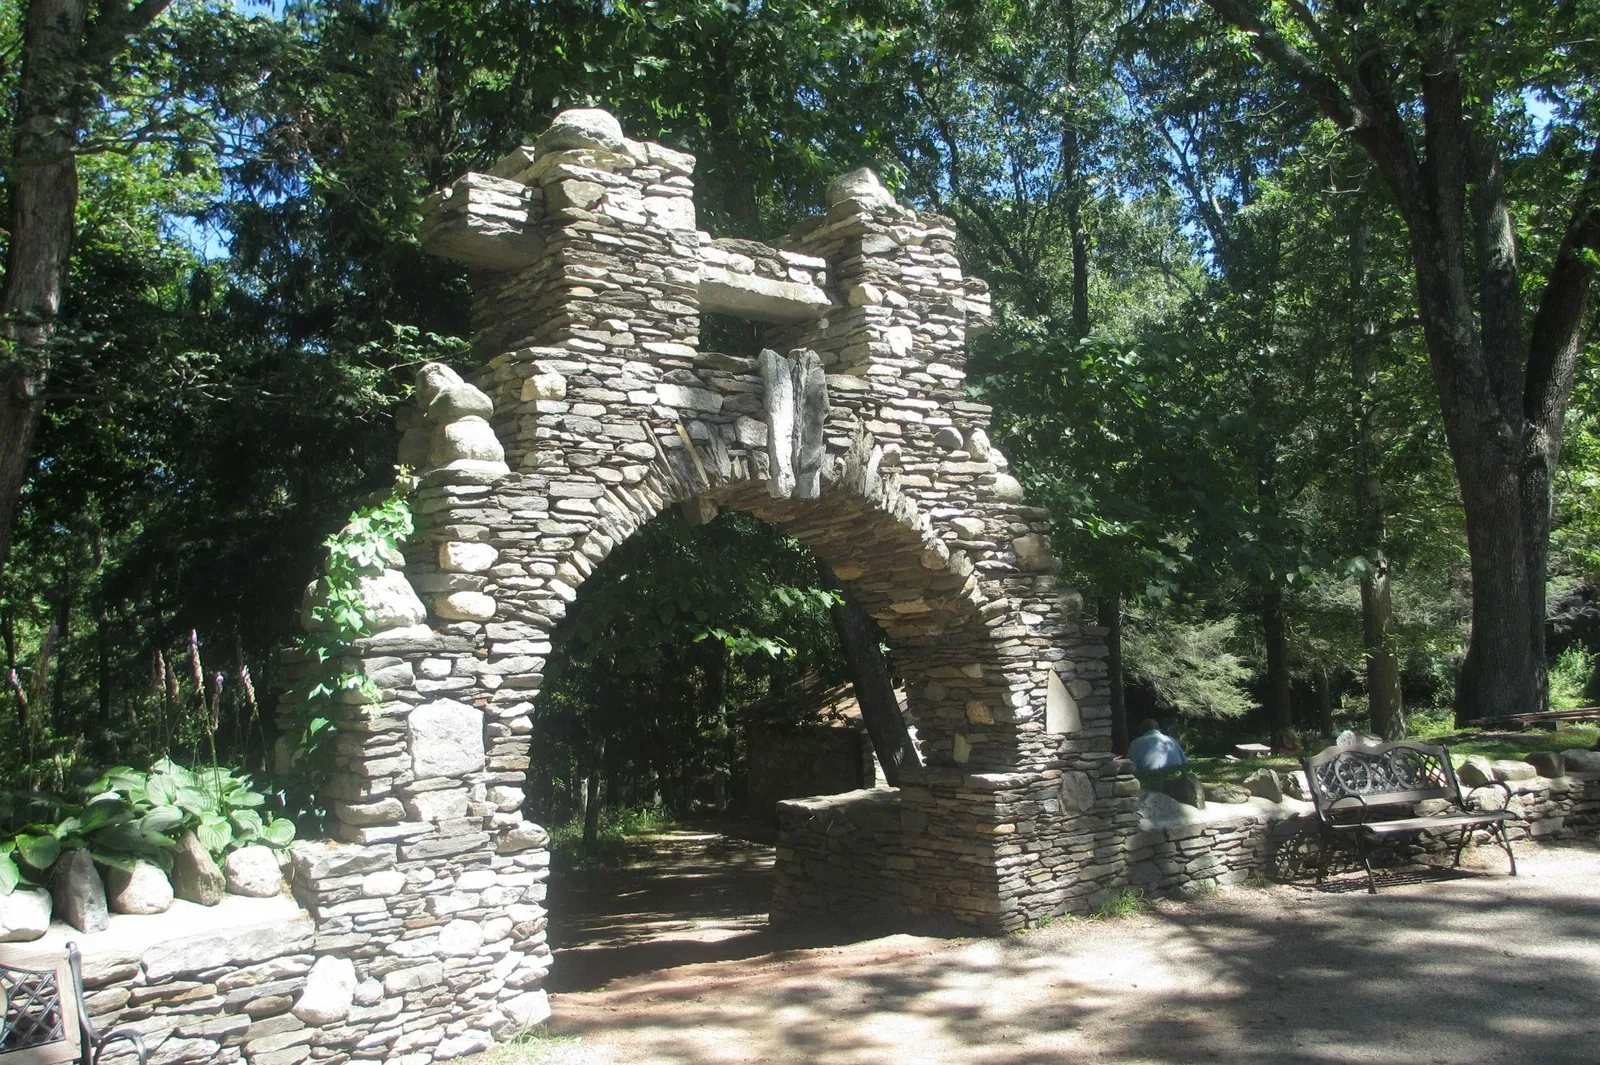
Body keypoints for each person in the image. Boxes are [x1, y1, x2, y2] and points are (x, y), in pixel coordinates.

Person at [1127, 718, 1187, 790]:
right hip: (1178, 783)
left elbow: (1130, 768)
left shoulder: (1135, 743)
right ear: (1158, 728)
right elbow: (1185, 763)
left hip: (1151, 786)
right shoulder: (1172, 740)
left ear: (1141, 731)